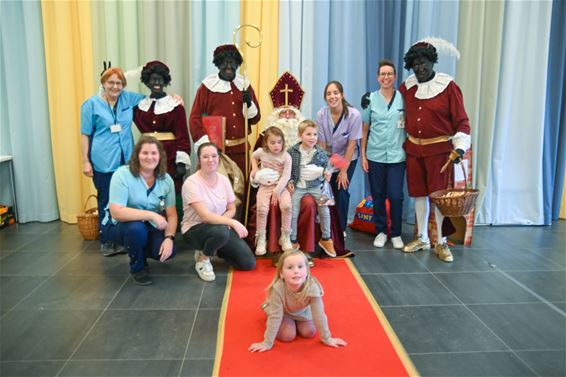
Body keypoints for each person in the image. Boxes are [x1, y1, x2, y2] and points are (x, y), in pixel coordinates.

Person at [399, 40, 471, 263]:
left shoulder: (448, 86)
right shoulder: (408, 87)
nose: (420, 68)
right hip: (414, 149)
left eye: (423, 63)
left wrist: (460, 147)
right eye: (416, 64)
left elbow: (462, 121)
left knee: (438, 198)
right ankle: (422, 238)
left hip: (440, 152)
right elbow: (393, 100)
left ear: (432, 62)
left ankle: (440, 242)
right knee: (419, 194)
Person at [81, 66, 145, 257]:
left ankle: (122, 239)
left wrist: (175, 98)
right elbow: (85, 135)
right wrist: (85, 161)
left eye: (119, 83)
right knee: (106, 201)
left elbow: (150, 100)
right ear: (103, 83)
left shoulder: (128, 98)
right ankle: (107, 240)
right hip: (103, 161)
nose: (115, 87)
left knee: (125, 201)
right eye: (111, 82)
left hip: (126, 161)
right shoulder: (91, 104)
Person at [102, 136, 177, 285]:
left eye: (154, 153)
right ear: (137, 155)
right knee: (136, 230)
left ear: (160, 156)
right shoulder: (122, 175)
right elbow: (117, 212)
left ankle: (138, 249)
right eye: (145, 153)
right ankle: (138, 266)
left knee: (168, 251)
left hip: (149, 225)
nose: (150, 157)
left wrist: (169, 238)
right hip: (120, 225)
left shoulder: (166, 179)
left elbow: (172, 215)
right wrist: (151, 215)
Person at [181, 142, 256, 282]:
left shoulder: (223, 180)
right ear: (199, 160)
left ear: (219, 158)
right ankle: (203, 258)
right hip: (194, 229)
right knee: (221, 231)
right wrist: (231, 222)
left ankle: (215, 245)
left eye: (214, 156)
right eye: (205, 156)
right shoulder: (191, 183)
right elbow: (205, 217)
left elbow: (231, 208)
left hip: (219, 228)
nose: (210, 160)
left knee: (248, 263)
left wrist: (226, 222)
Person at [248, 250, 347, 352]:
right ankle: (267, 307)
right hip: (284, 312)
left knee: (309, 332)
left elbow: (319, 315)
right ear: (281, 273)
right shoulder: (277, 288)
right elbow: (275, 316)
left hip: (302, 312)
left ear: (307, 271)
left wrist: (327, 338)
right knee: (287, 336)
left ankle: (296, 321)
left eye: (300, 267)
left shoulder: (313, 287)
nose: (296, 271)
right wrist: (267, 342)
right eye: (290, 267)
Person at [189, 44, 261, 175]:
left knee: (241, 191)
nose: (229, 66)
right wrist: (205, 145)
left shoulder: (244, 85)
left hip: (241, 151)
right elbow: (195, 118)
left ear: (237, 64)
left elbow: (255, 119)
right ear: (218, 64)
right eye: (224, 62)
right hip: (217, 152)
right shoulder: (207, 87)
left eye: (232, 62)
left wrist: (249, 104)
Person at [360, 60, 406, 249]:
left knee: (395, 195)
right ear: (378, 77)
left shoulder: (404, 98)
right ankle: (380, 231)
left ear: (394, 77)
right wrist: (363, 155)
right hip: (375, 154)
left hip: (397, 156)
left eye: (389, 74)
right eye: (382, 74)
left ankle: (396, 233)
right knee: (377, 194)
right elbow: (364, 129)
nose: (386, 77)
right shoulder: (370, 99)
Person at [133, 61, 191, 198]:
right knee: (146, 188)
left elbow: (182, 135)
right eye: (153, 79)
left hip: (169, 156)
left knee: (170, 191)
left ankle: (172, 218)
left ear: (165, 81)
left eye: (160, 79)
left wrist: (181, 162)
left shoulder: (175, 106)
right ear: (147, 82)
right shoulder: (139, 106)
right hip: (146, 154)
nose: (156, 82)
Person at [316, 81, 362, 235]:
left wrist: (343, 171)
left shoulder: (354, 115)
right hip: (328, 156)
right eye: (329, 93)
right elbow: (321, 145)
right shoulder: (321, 115)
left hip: (347, 156)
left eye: (335, 92)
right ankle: (325, 226)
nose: (332, 96)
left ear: (342, 95)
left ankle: (340, 228)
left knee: (341, 188)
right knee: (325, 188)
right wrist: (323, 169)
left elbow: (351, 145)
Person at [288, 120, 336, 258]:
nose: (312, 137)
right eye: (308, 134)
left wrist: (327, 173)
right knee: (293, 211)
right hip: (299, 186)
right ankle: (293, 240)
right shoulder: (293, 151)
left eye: (315, 134)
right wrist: (290, 181)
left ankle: (326, 239)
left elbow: (327, 168)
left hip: (316, 186)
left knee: (324, 209)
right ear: (300, 135)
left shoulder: (320, 152)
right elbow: (288, 168)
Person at [250, 126, 293, 255]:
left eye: (279, 142)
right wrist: (254, 169)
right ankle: (261, 238)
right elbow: (253, 156)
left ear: (283, 142)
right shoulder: (262, 152)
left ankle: (285, 236)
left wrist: (277, 191)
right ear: (266, 143)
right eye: (272, 142)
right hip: (265, 186)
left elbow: (286, 175)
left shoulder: (286, 156)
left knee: (287, 206)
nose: (276, 146)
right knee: (262, 209)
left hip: (280, 187)